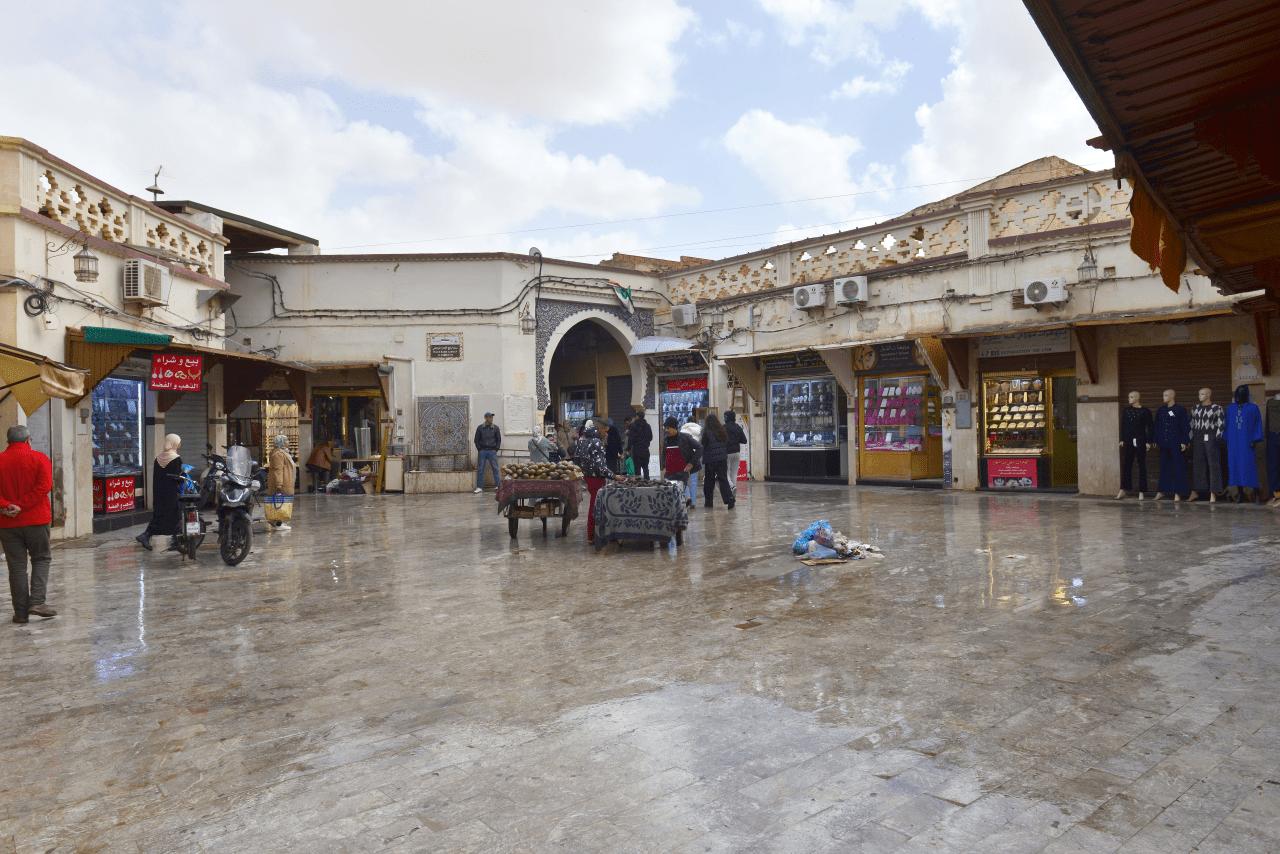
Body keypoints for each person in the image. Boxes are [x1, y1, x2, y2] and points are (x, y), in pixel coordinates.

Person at [0, 425, 55, 623]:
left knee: (16, 567)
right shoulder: (40, 458)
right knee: (41, 558)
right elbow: (44, 486)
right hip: (36, 520)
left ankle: (21, 614)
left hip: (7, 523)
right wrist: (22, 505)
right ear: (28, 440)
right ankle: (37, 602)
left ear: (8, 441)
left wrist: (7, 505)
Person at [136, 433, 183, 552]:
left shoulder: (158, 458)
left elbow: (157, 477)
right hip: (171, 493)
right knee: (176, 515)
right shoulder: (176, 459)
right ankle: (175, 541)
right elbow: (176, 477)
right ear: (174, 443)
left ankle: (147, 535)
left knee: (159, 515)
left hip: (159, 492)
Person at [572, 425, 611, 544]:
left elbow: (576, 461)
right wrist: (614, 476)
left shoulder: (581, 442)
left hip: (588, 478)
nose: (605, 432)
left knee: (595, 504)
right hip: (597, 478)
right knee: (595, 506)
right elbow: (601, 467)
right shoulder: (597, 442)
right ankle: (592, 535)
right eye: (603, 430)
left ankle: (594, 534)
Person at [701, 413, 736, 510]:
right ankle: (729, 499)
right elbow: (726, 442)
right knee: (723, 479)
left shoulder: (706, 432)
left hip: (710, 460)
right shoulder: (722, 431)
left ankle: (708, 502)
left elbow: (703, 444)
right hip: (722, 459)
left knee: (709, 481)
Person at [267, 434, 297, 532]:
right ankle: (278, 523)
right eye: (286, 440)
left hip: (285, 481)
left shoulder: (283, 452)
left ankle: (278, 522)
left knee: (282, 502)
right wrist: (279, 484)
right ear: (282, 443)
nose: (288, 442)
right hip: (282, 483)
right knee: (280, 502)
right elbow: (278, 470)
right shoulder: (278, 454)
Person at [473, 412, 502, 494]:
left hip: (492, 451)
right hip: (482, 451)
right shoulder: (480, 428)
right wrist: (480, 449)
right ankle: (479, 487)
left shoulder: (495, 428)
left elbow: (499, 440)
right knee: (480, 469)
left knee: (495, 469)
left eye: (492, 417)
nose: (491, 419)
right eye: (489, 417)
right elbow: (476, 440)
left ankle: (498, 486)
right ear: (485, 418)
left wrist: (496, 449)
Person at [680, 420, 703, 508]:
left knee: (684, 480)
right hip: (695, 459)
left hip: (684, 458)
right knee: (693, 482)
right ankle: (693, 502)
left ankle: (687, 497)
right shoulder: (699, 431)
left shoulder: (682, 431)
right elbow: (700, 446)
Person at [724, 410, 747, 496]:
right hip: (736, 452)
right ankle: (732, 493)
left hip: (726, 453)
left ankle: (732, 486)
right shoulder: (738, 427)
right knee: (734, 473)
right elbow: (744, 440)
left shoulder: (723, 427)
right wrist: (736, 439)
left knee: (725, 472)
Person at [627, 407, 653, 480]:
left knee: (637, 469)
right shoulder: (647, 426)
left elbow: (630, 439)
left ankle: (638, 484)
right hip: (645, 450)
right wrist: (645, 442)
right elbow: (650, 438)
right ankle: (647, 483)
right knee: (645, 468)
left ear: (637, 416)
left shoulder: (633, 426)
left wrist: (628, 449)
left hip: (636, 451)